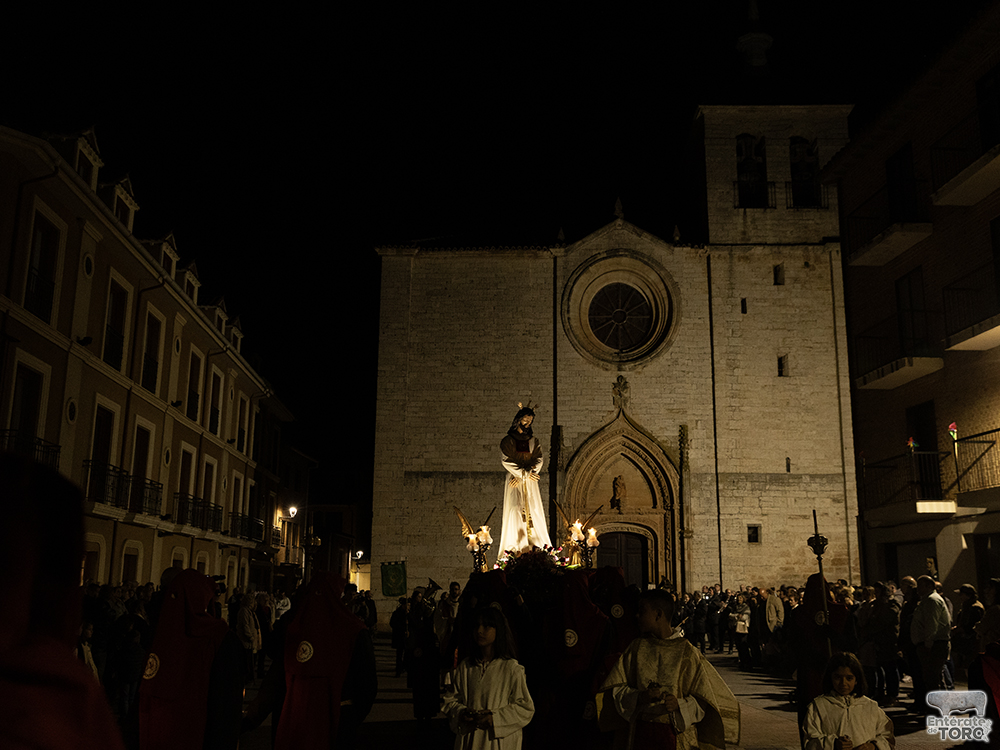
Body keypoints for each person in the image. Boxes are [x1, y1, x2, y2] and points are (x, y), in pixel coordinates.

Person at [600, 589, 740, 749]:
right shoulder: (636, 648)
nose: (637, 616)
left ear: (658, 615)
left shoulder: (687, 652)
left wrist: (679, 705)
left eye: (642, 611)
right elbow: (616, 689)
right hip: (641, 734)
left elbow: (704, 699)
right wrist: (639, 697)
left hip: (677, 736)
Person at [443, 605, 534, 750]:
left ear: (498, 630)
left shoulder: (511, 669)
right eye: (477, 626)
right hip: (470, 740)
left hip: (497, 743)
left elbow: (525, 707)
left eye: (486, 626)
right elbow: (451, 700)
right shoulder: (466, 666)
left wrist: (494, 718)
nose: (479, 631)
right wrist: (462, 713)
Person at [802, 652, 894, 750]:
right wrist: (833, 744)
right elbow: (810, 742)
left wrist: (873, 746)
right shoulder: (819, 707)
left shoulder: (870, 707)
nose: (843, 683)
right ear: (830, 678)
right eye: (838, 677)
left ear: (857, 680)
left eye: (849, 678)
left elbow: (887, 737)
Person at [497, 404, 552, 557]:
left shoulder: (534, 441)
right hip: (515, 478)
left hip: (530, 481)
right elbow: (506, 460)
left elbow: (539, 458)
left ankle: (536, 546)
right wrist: (523, 473)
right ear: (518, 420)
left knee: (533, 510)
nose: (527, 424)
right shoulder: (507, 441)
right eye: (525, 421)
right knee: (515, 509)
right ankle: (515, 548)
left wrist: (528, 474)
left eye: (530, 422)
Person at [910, 575, 951, 713]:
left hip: (933, 645)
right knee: (934, 677)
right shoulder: (927, 600)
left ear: (929, 586)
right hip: (932, 644)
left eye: (920, 585)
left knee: (932, 677)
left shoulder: (931, 600)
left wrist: (928, 644)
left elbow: (931, 624)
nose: (917, 588)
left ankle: (937, 709)